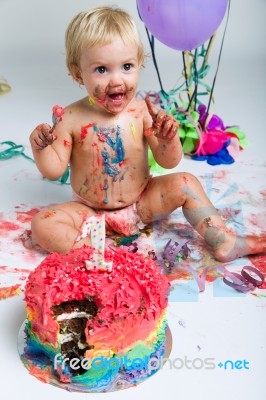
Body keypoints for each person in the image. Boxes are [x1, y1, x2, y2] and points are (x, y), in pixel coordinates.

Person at [29, 6, 265, 261]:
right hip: (88, 211)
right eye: (101, 70)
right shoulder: (71, 118)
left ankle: (223, 240)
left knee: (186, 183)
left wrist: (167, 139)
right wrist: (41, 148)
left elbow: (168, 162)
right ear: (78, 72)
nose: (116, 80)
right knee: (42, 224)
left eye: (127, 66)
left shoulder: (142, 112)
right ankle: (97, 254)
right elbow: (53, 170)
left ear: (140, 64)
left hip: (142, 204)